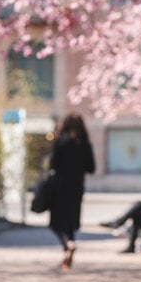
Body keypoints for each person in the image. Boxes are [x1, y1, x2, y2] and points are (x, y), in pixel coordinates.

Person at [49, 113, 95, 270]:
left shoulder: (60, 142)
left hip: (59, 187)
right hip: (76, 188)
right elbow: (91, 168)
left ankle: (68, 244)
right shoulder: (84, 144)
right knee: (70, 222)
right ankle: (69, 249)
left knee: (56, 222)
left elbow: (52, 164)